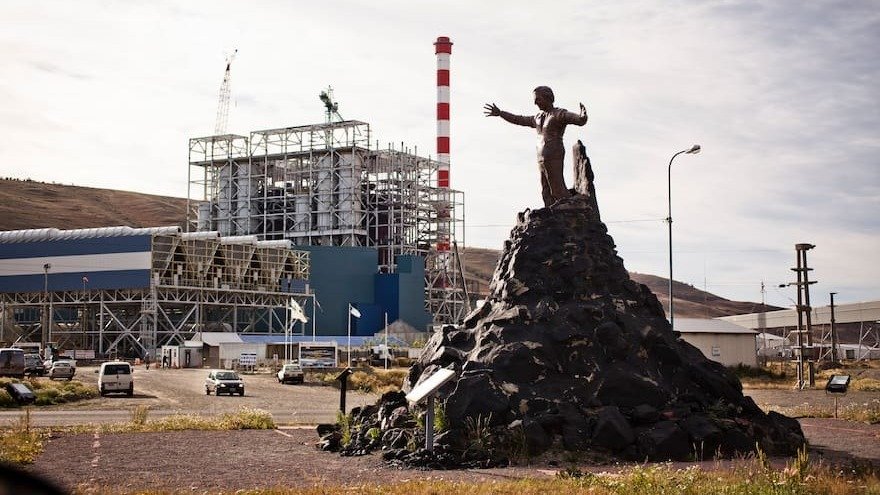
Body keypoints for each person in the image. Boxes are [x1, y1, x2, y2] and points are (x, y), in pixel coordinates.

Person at [484, 86, 588, 207]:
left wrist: (582, 116)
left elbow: (579, 120)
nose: (535, 103)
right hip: (541, 157)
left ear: (548, 98)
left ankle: (568, 209)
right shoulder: (537, 118)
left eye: (538, 99)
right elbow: (519, 119)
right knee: (545, 189)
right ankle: (550, 213)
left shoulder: (559, 114)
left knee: (556, 185)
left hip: (554, 153)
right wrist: (501, 113)